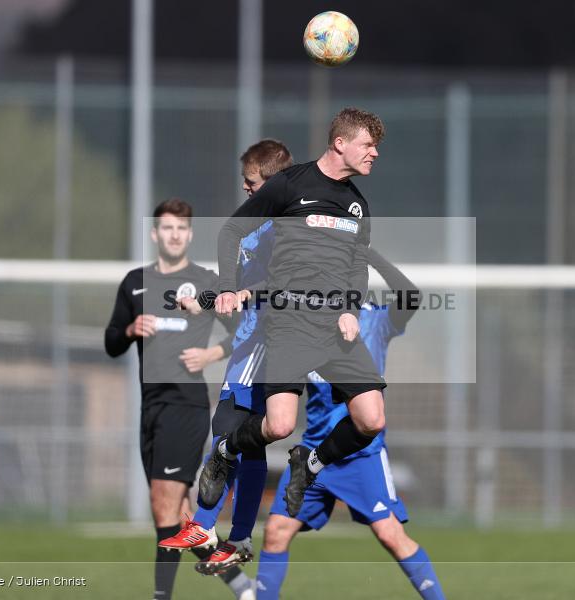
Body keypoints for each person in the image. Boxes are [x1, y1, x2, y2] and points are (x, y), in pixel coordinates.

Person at [201, 108, 389, 520]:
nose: (374, 153)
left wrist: (351, 310)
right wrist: (230, 288)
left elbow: (357, 267)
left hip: (335, 328)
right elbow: (232, 231)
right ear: (340, 143)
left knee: (371, 419)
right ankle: (223, 452)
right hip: (289, 323)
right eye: (368, 145)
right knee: (279, 426)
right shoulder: (290, 185)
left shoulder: (357, 205)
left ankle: (311, 464)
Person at [254, 250, 444, 600]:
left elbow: (411, 296)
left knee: (390, 535)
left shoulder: (375, 320)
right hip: (313, 453)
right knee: (276, 531)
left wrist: (372, 256)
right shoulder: (303, 323)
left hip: (361, 455)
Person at [104, 198, 253, 600]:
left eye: (182, 229)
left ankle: (161, 597)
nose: (174, 235)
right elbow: (111, 342)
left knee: (164, 507)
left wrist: (211, 354)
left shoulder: (205, 282)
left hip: (185, 407)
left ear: (189, 234)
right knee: (172, 516)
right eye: (167, 228)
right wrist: (130, 328)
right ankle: (242, 587)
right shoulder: (135, 282)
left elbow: (245, 329)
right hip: (150, 408)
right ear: (155, 234)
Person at [160, 141, 294, 574]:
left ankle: (204, 525)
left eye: (252, 181)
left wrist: (239, 295)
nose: (245, 186)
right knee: (246, 443)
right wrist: (201, 298)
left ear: (270, 182)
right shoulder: (255, 227)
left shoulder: (285, 228)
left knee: (228, 431)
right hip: (250, 342)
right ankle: (236, 536)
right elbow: (235, 285)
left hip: (268, 344)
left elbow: (279, 284)